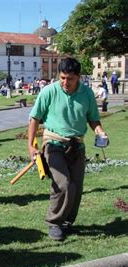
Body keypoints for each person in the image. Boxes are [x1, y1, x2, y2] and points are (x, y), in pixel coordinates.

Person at [27, 57, 108, 241]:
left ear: (78, 77)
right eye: (62, 77)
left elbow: (93, 119)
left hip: (77, 145)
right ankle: (54, 222)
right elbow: (34, 118)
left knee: (76, 188)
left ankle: (67, 222)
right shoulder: (49, 91)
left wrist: (100, 131)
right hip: (53, 144)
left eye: (69, 79)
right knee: (63, 184)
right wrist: (31, 146)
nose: (65, 82)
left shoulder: (87, 94)